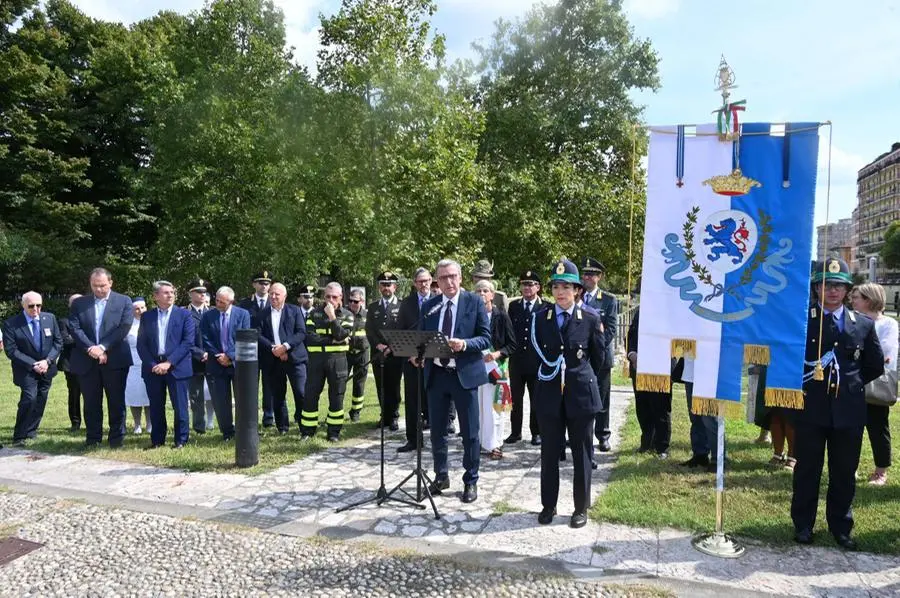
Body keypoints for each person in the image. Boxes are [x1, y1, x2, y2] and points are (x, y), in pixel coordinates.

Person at [792, 257, 883, 550]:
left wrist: (849, 387)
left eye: (838, 286)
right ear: (816, 288)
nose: (832, 291)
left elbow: (874, 366)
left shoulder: (864, 325)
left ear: (847, 291)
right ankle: (803, 525)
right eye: (826, 285)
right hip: (811, 408)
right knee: (807, 469)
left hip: (848, 411)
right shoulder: (802, 321)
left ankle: (841, 526)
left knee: (844, 472)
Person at [531, 259, 607, 528]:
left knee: (582, 453)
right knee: (550, 452)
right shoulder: (541, 319)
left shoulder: (590, 319)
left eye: (566, 286)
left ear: (577, 291)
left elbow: (598, 359)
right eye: (556, 286)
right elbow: (535, 354)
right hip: (550, 395)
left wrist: (578, 379)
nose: (560, 292)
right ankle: (548, 505)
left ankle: (580, 507)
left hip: (580, 397)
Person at [419, 259, 491, 503]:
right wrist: (417, 354)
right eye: (443, 278)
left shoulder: (474, 302)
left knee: (470, 432)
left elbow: (485, 338)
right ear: (437, 281)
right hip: (437, 375)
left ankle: (471, 480)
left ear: (460, 277)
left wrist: (465, 344)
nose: (448, 281)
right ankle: (441, 476)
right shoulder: (429, 306)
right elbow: (422, 338)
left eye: (452, 276)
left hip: (465, 375)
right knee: (438, 431)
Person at [68, 268, 134, 448]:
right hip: (87, 359)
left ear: (111, 283)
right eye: (95, 286)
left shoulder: (123, 301)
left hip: (115, 359)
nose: (98, 290)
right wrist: (91, 348)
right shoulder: (80, 303)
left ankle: (116, 439)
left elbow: (124, 327)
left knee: (116, 401)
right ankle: (93, 438)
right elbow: (74, 327)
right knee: (91, 401)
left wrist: (103, 347)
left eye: (102, 286)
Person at [850, 282, 898, 486]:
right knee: (850, 430)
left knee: (878, 428)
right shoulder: (851, 320)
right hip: (852, 383)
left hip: (875, 383)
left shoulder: (888, 324)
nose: (852, 301)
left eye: (856, 297)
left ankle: (880, 471)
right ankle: (849, 468)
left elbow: (885, 355)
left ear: (868, 300)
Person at [137, 281, 195, 449]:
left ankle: (181, 440)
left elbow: (188, 342)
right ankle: (157, 440)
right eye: (165, 292)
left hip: (177, 367)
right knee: (156, 405)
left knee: (180, 406)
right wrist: (153, 364)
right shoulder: (147, 317)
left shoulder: (184, 315)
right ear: (155, 296)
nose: (170, 295)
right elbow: (142, 344)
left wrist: (169, 362)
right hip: (153, 368)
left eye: (172, 292)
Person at [2, 292, 62, 446]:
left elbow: (58, 342)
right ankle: (19, 435)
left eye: (39, 305)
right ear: (23, 305)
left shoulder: (49, 318)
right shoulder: (11, 324)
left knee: (41, 399)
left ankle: (31, 431)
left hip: (47, 367)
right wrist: (33, 364)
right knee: (29, 398)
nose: (35, 309)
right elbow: (11, 350)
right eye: (31, 306)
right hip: (26, 369)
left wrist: (47, 361)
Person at [301, 282, 354, 442]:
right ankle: (308, 431)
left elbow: (342, 335)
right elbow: (310, 339)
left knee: (337, 395)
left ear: (341, 298)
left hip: (338, 362)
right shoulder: (314, 314)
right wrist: (332, 341)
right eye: (328, 297)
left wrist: (332, 317)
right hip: (316, 361)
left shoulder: (347, 315)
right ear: (324, 297)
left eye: (334, 297)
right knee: (310, 395)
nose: (331, 300)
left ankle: (334, 432)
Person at [200, 286, 251, 441]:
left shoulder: (242, 314)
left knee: (241, 398)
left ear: (231, 301)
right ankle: (227, 432)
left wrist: (229, 356)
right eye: (217, 300)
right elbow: (205, 337)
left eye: (222, 302)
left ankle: (243, 429)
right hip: (216, 363)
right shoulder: (208, 316)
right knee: (221, 400)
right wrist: (219, 356)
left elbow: (244, 337)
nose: (218, 304)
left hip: (237, 363)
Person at [473, 280, 516, 459]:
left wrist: (497, 354)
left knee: (495, 409)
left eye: (485, 291)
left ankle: (496, 444)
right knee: (479, 408)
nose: (482, 294)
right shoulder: (472, 316)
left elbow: (512, 345)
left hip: (496, 369)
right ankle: (482, 443)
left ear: (492, 295)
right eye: (478, 291)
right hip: (477, 368)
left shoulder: (501, 316)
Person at [257, 283, 307, 435]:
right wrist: (274, 349)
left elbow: (301, 333)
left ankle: (303, 423)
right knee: (278, 395)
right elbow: (258, 335)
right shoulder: (262, 314)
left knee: (300, 392)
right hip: (273, 360)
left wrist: (285, 347)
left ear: (284, 296)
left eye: (277, 294)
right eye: (271, 293)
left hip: (294, 358)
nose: (273, 297)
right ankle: (282, 427)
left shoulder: (295, 311)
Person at [505, 270, 545, 447]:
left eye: (531, 284)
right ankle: (516, 431)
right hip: (517, 361)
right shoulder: (513, 306)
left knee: (537, 398)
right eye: (524, 284)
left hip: (537, 362)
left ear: (538, 287)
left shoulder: (546, 307)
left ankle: (536, 432)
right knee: (516, 399)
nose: (527, 288)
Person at [626, 306, 672, 459]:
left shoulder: (669, 309)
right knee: (643, 406)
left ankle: (662, 446)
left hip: (660, 366)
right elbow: (631, 335)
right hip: (639, 365)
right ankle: (647, 443)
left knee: (660, 407)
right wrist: (632, 354)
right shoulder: (641, 309)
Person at [581, 257, 617, 453]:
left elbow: (610, 330)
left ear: (599, 277)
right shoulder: (575, 297)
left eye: (592, 274)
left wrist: (593, 347)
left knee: (602, 398)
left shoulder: (609, 300)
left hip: (601, 357)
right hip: (580, 357)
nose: (587, 277)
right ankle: (578, 433)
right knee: (579, 397)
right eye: (585, 273)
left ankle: (602, 435)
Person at [396, 267, 433, 452]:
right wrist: (411, 355)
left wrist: (428, 355)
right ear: (414, 283)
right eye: (420, 281)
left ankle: (437, 438)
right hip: (411, 361)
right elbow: (402, 330)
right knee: (412, 402)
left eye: (426, 280)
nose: (423, 284)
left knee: (434, 401)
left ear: (431, 280)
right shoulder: (407, 303)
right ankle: (413, 440)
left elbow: (440, 331)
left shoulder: (438, 301)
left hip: (433, 361)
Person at [365, 271, 402, 429]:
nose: (386, 288)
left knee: (393, 385)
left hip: (395, 353)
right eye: (383, 285)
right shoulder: (373, 307)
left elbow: (403, 329)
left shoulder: (402, 305)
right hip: (378, 353)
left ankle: (393, 416)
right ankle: (384, 415)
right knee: (381, 385)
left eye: (389, 285)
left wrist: (391, 347)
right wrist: (378, 345)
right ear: (379, 287)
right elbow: (369, 329)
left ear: (395, 287)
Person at [239, 271, 274, 427]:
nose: (264, 286)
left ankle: (268, 417)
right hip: (250, 351)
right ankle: (250, 418)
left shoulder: (274, 303)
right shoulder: (245, 304)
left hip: (269, 351)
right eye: (260, 282)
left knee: (269, 386)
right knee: (250, 386)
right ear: (254, 284)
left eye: (267, 283)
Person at [186, 278, 215, 435]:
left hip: (212, 359)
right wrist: (200, 353)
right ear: (191, 294)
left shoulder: (212, 312)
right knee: (196, 396)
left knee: (217, 393)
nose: (203, 294)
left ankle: (222, 425)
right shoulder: (184, 313)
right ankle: (199, 427)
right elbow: (183, 340)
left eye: (204, 292)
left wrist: (210, 354)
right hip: (193, 360)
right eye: (199, 292)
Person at [125, 297, 151, 434]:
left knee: (149, 394)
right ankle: (137, 424)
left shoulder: (152, 322)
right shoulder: (128, 325)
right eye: (137, 308)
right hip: (133, 364)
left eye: (143, 307)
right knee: (134, 395)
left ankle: (150, 424)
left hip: (149, 363)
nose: (140, 311)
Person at [58, 293, 83, 431]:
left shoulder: (88, 321)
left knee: (91, 394)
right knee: (74, 394)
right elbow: (65, 340)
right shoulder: (64, 321)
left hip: (89, 362)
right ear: (69, 305)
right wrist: (84, 341)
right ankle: (75, 422)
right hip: (71, 363)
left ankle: (92, 422)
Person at [346, 289, 369, 422]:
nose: (352, 304)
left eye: (355, 301)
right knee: (340, 383)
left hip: (362, 354)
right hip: (346, 353)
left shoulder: (367, 315)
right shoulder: (343, 314)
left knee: (359, 384)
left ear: (362, 301)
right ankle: (337, 410)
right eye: (350, 301)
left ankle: (356, 412)